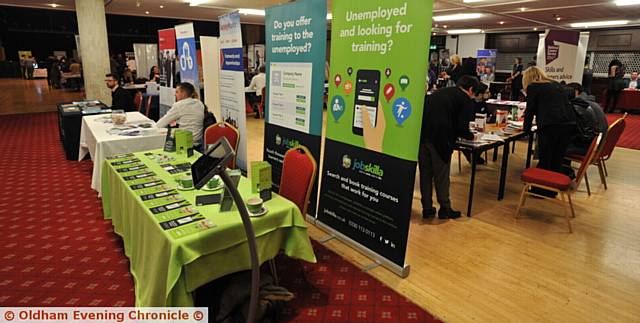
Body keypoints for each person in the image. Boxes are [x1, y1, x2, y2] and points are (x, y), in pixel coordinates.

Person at [419, 75, 479, 219]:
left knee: (425, 174)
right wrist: (472, 136)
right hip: (441, 140)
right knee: (441, 175)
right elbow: (461, 128)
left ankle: (427, 208)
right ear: (470, 89)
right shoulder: (464, 100)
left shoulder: (440, 92)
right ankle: (445, 208)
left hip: (422, 137)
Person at [522, 67, 577, 197]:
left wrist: (525, 130)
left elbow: (530, 111)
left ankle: (541, 190)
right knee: (557, 159)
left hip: (551, 126)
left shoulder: (533, 87)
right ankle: (553, 190)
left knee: (546, 158)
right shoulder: (555, 84)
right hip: (569, 125)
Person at [156, 82, 205, 147]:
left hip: (184, 142)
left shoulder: (179, 105)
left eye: (177, 92)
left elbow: (160, 124)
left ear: (183, 93)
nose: (175, 94)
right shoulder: (200, 103)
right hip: (198, 142)